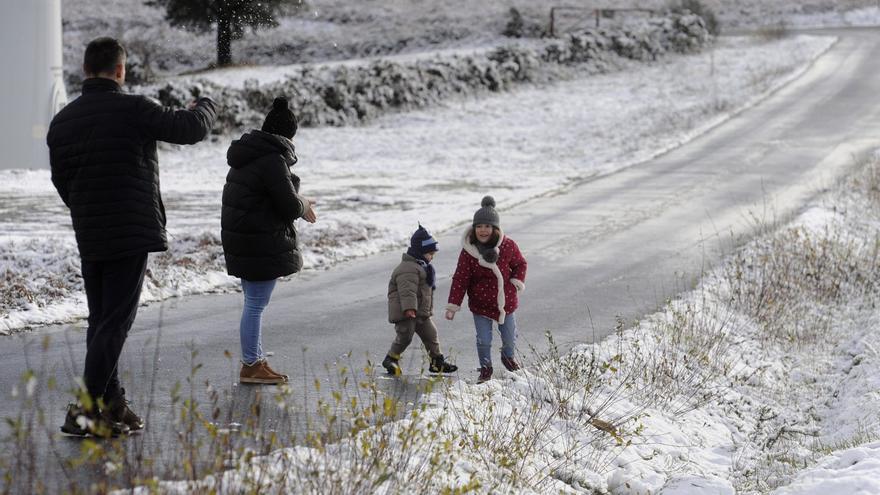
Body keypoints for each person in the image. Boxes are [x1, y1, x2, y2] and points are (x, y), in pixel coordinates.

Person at [48, 37, 217, 437]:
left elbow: (61, 180)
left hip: (90, 231)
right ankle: (85, 410)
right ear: (120, 70)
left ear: (85, 69)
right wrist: (205, 104)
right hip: (129, 231)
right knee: (114, 323)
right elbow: (191, 128)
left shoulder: (62, 121)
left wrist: (86, 209)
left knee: (102, 321)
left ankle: (113, 405)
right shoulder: (134, 109)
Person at [221, 97, 316, 385]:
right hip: (258, 241)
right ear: (289, 136)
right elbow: (288, 205)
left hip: (243, 238)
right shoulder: (272, 159)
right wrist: (304, 203)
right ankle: (251, 364)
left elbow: (267, 196)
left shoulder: (249, 155)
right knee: (255, 305)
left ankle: (256, 360)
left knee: (253, 302)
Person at [446, 196, 528, 383]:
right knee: (483, 339)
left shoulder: (507, 245)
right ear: (474, 228)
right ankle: (485, 367)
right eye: (479, 226)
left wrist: (516, 281)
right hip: (480, 304)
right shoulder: (469, 251)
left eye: (488, 226)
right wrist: (453, 306)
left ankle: (508, 357)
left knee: (509, 337)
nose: (483, 230)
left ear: (495, 228)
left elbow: (520, 263)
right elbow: (460, 279)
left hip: (505, 302)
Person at [382, 225, 458, 376]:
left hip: (420, 313)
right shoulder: (408, 268)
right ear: (420, 252)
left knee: (431, 334)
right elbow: (407, 291)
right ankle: (391, 359)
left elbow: (424, 291)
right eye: (430, 253)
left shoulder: (421, 267)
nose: (432, 257)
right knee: (405, 337)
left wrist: (426, 309)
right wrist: (409, 308)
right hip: (406, 312)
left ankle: (437, 362)